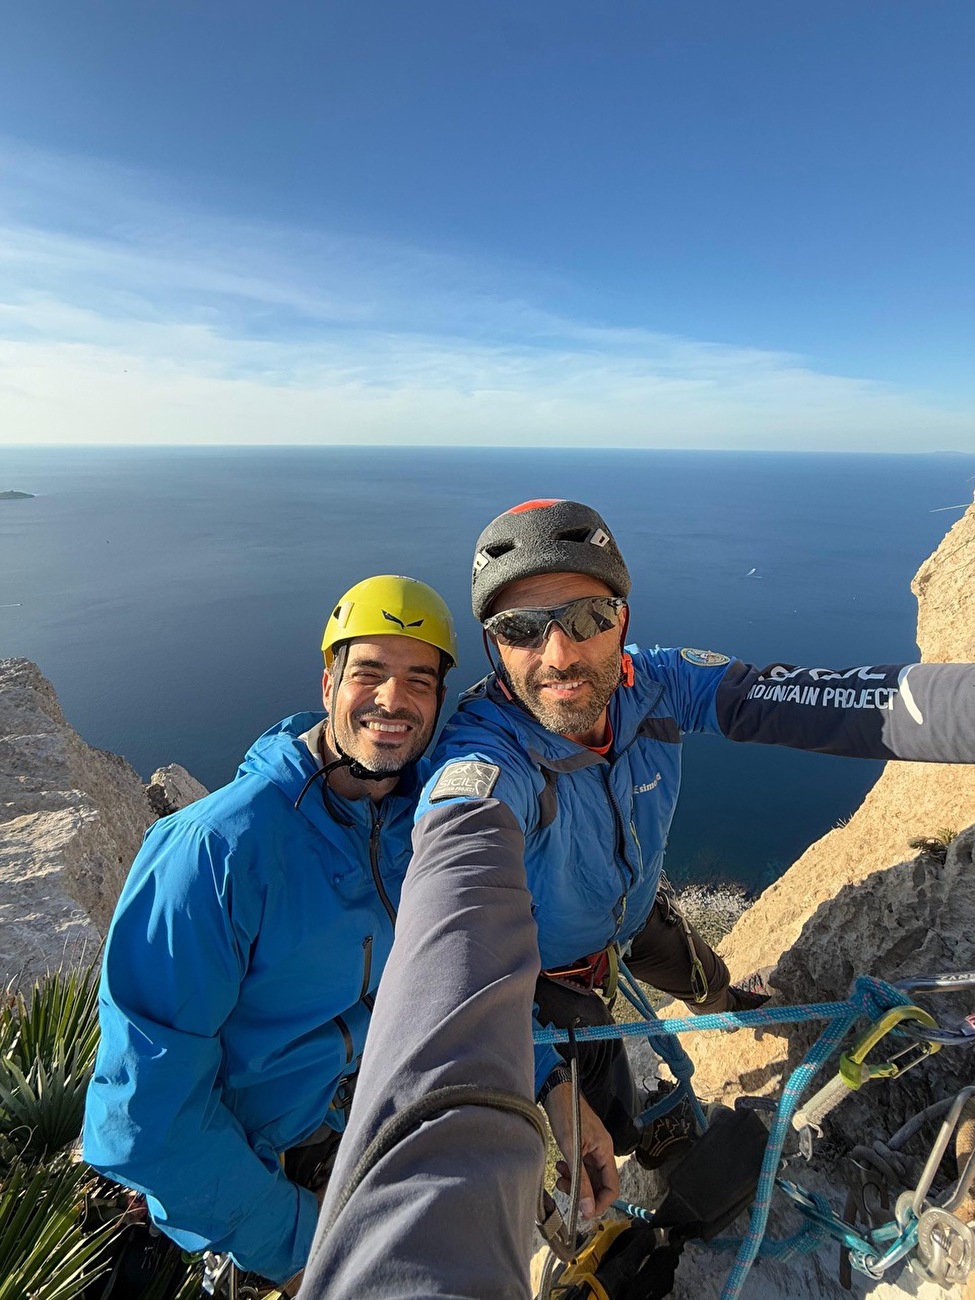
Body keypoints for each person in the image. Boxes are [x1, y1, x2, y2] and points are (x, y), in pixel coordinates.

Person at [414, 498, 975, 1224]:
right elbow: (455, 879)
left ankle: (728, 1007)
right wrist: (545, 1082)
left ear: (622, 619)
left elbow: (824, 699)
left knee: (707, 981)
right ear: (493, 647)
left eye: (587, 617)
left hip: (632, 915)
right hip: (545, 981)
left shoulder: (653, 682)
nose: (558, 655)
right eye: (520, 628)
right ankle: (652, 1135)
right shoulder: (483, 757)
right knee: (607, 1112)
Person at [82, 575, 457, 1287]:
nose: (392, 700)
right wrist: (304, 1242)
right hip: (263, 1190)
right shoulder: (217, 849)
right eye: (368, 673)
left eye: (419, 680)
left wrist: (545, 1075)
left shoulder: (422, 822)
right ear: (328, 684)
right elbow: (143, 1117)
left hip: (369, 1136)